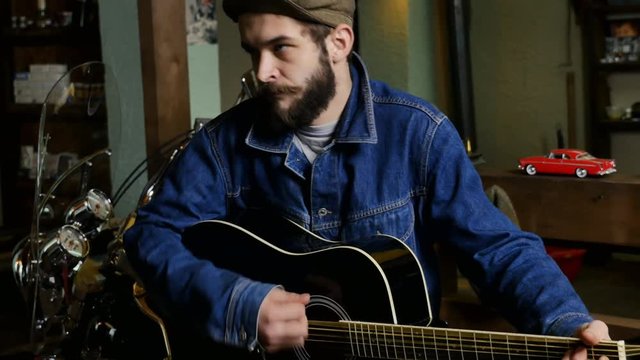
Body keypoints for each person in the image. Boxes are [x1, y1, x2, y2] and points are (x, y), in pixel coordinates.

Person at [123, 0, 610, 358]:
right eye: (253, 51)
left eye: (280, 49)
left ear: (338, 42)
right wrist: (237, 302)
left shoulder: (419, 134)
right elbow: (151, 236)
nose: (262, 72)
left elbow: (496, 248)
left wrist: (567, 321)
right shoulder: (223, 143)